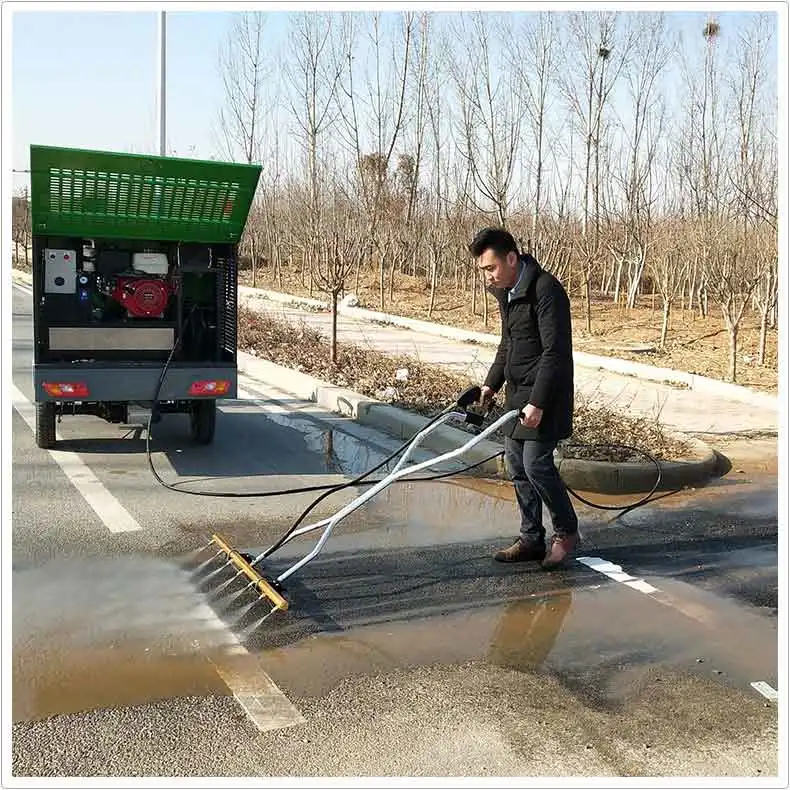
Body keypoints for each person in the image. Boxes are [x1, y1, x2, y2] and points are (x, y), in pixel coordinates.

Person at [469, 227, 579, 569]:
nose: (488, 277)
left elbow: (555, 353)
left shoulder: (546, 290)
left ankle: (567, 533)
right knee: (516, 465)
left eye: (491, 268)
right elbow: (509, 345)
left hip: (546, 396)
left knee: (536, 465)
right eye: (484, 271)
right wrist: (490, 386)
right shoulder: (506, 293)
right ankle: (532, 538)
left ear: (512, 259)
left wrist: (539, 403)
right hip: (519, 396)